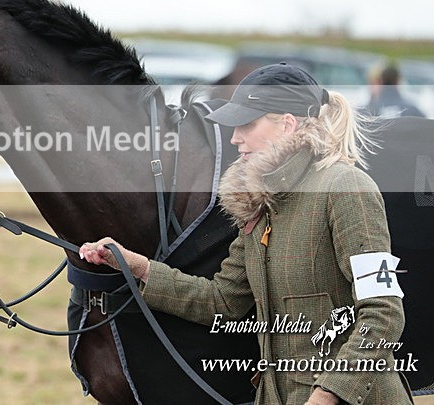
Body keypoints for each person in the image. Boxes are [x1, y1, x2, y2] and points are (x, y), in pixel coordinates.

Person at [81, 63, 412, 405]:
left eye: (247, 125)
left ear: (287, 124)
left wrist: (328, 395)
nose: (236, 138)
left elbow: (383, 313)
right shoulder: (261, 205)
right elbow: (222, 301)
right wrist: (137, 266)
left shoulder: (345, 188)